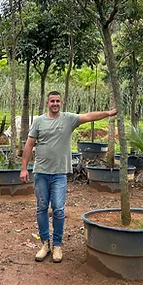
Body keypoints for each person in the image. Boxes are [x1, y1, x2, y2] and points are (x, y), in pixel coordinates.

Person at [20, 90, 117, 263]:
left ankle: (57, 245)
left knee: (58, 208)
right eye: (52, 101)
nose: (55, 104)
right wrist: (24, 168)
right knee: (42, 207)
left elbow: (89, 116)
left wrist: (108, 113)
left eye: (57, 101)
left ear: (61, 102)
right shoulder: (39, 121)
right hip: (41, 172)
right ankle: (45, 244)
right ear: (47, 103)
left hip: (59, 174)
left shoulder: (68, 119)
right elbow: (29, 145)